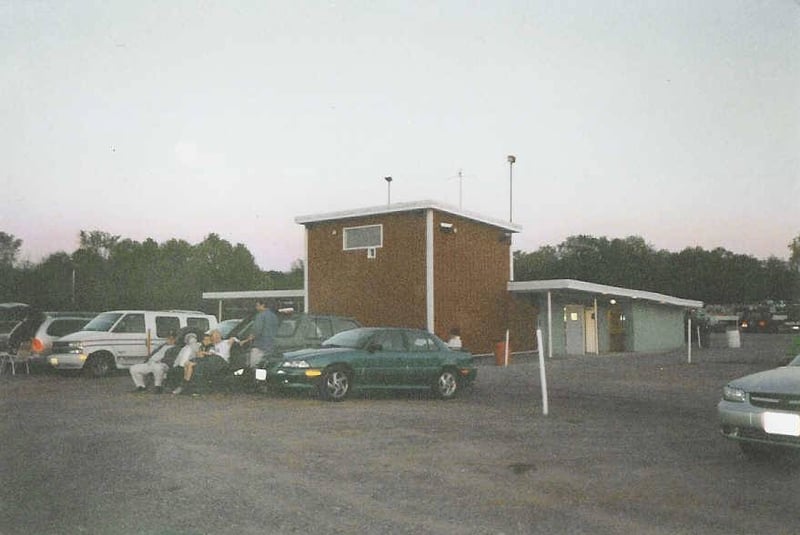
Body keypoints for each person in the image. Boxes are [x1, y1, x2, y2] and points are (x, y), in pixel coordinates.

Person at [173, 329, 240, 395]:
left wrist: (234, 339)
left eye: (217, 335)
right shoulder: (211, 346)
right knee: (188, 363)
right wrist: (203, 352)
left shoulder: (226, 342)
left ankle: (186, 387)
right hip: (210, 359)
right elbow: (201, 355)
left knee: (199, 366)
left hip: (220, 361)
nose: (216, 337)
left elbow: (237, 340)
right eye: (213, 336)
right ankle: (184, 385)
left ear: (220, 336)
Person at [242, 298, 279, 367]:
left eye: (257, 305)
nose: (256, 307)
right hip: (271, 345)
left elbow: (257, 331)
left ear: (263, 305)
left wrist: (246, 340)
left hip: (260, 346)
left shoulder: (260, 316)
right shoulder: (274, 316)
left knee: (255, 366)